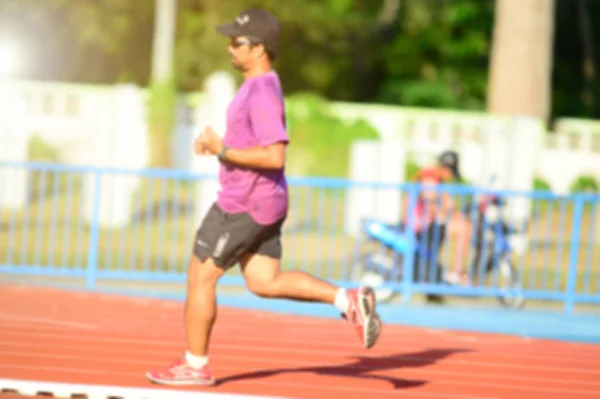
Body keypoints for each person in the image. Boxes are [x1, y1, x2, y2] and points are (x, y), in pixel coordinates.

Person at [146, 8, 382, 386]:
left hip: (244, 203)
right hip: (264, 201)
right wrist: (219, 148)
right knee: (263, 281)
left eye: (236, 42)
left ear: (258, 49)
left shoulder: (261, 90)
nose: (229, 47)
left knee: (200, 278)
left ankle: (195, 365)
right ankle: (347, 300)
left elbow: (274, 156)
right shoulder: (260, 86)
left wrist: (222, 150)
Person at [412, 151, 473, 285]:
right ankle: (455, 273)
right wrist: (446, 212)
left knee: (464, 224)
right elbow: (431, 202)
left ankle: (454, 272)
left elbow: (446, 204)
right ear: (446, 168)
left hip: (427, 223)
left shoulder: (437, 179)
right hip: (420, 225)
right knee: (464, 228)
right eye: (451, 172)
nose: (450, 176)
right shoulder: (429, 176)